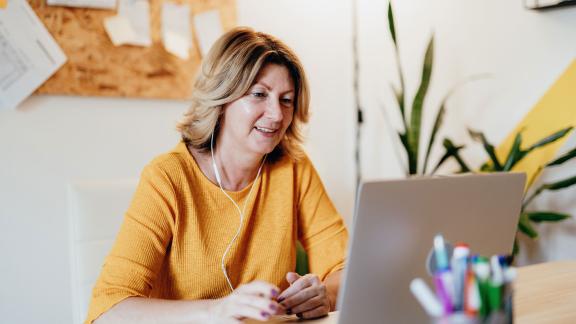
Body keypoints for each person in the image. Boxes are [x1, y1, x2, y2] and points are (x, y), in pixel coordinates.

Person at [86, 26, 348, 324]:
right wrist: (218, 310)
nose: (276, 115)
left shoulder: (294, 169)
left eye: (286, 100)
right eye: (259, 94)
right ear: (222, 98)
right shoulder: (168, 177)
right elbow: (108, 311)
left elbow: (347, 270)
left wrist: (325, 294)